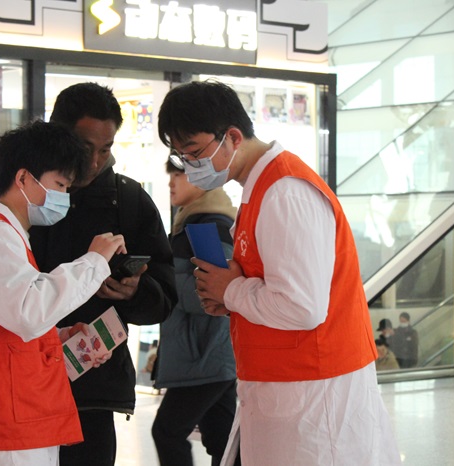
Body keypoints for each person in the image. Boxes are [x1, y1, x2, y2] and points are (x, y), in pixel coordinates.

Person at [157, 80, 400, 465]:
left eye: (195, 152)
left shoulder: (285, 192)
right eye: (181, 155)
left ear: (232, 137)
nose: (189, 165)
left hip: (315, 392)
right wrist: (230, 299)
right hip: (286, 387)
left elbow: (303, 307)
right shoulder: (258, 189)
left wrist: (232, 290)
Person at [0, 82, 176, 466]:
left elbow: (165, 296)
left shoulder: (129, 201)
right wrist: (91, 265)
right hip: (19, 389)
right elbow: (16, 306)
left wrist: (134, 292)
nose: (95, 162)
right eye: (85, 148)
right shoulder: (7, 206)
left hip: (91, 392)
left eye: (106, 149)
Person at [0, 120, 126, 466]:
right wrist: (93, 262)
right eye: (59, 185)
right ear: (23, 178)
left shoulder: (7, 236)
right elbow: (29, 313)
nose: (63, 197)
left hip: (8, 426)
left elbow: (8, 324)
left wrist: (57, 338)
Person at [151, 156, 239, 466]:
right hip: (208, 357)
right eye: (171, 175)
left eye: (179, 175)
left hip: (206, 358)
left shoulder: (208, 227)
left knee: (167, 432)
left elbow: (215, 295)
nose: (171, 183)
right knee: (223, 441)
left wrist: (163, 278)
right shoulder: (191, 223)